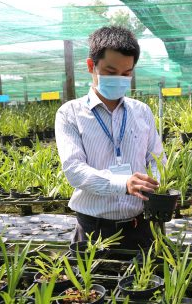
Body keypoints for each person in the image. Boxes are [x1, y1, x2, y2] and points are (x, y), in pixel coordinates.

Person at [55, 26, 163, 249]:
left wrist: (157, 183)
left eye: (126, 73)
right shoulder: (70, 113)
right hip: (93, 230)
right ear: (91, 66)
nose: (119, 79)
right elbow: (74, 169)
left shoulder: (142, 112)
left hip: (140, 226)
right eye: (110, 71)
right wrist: (122, 183)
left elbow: (156, 159)